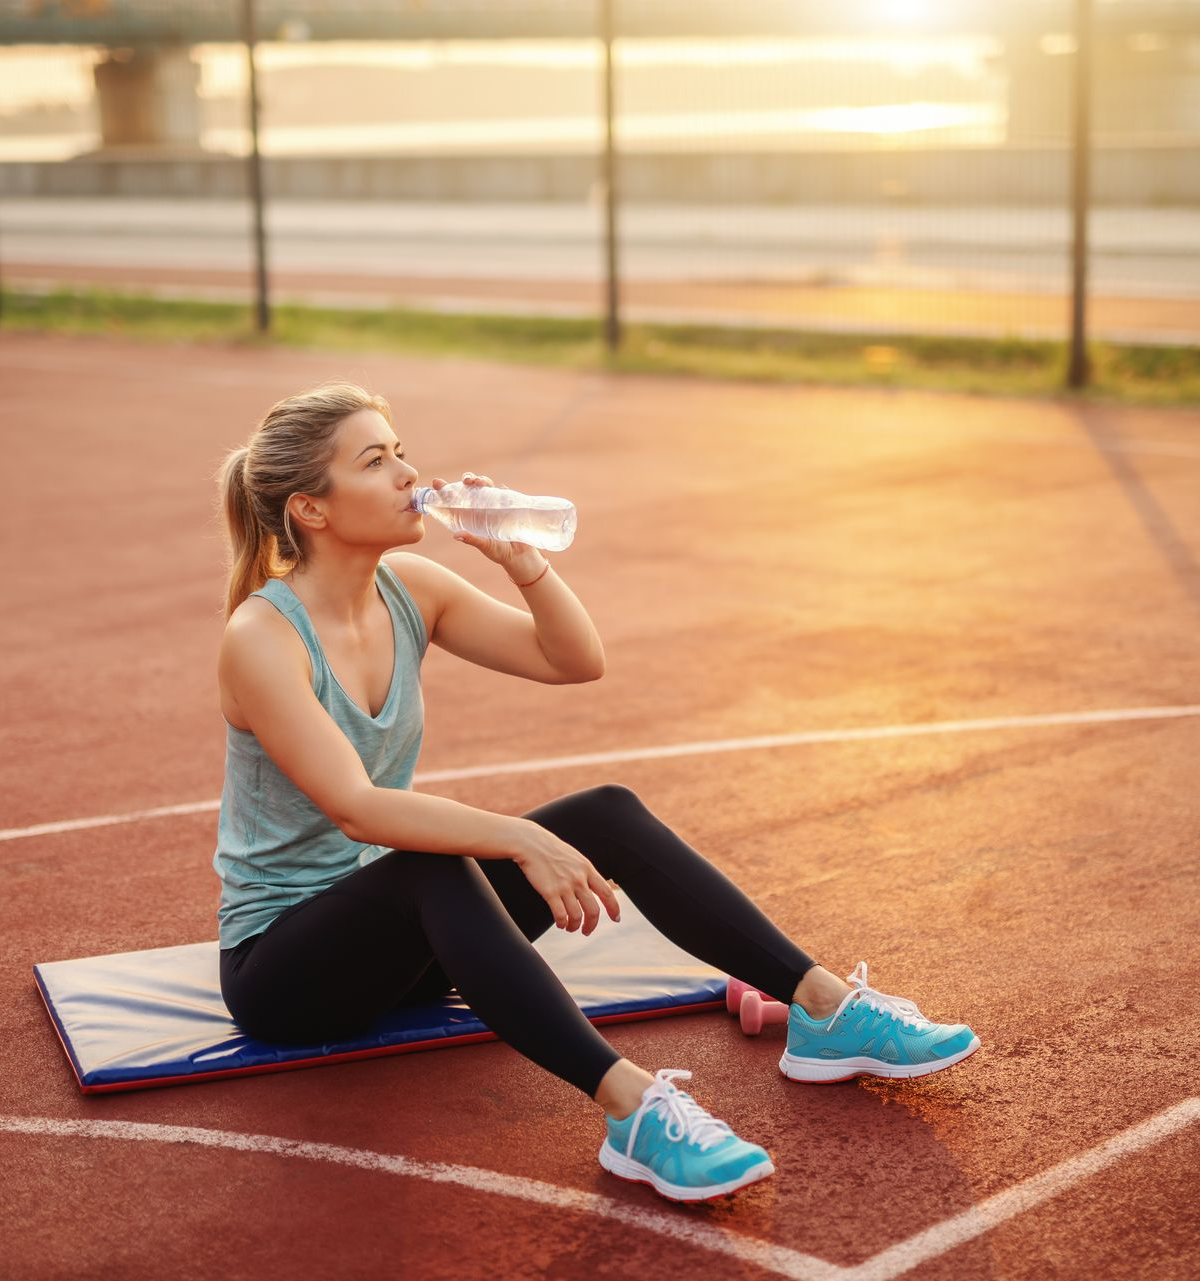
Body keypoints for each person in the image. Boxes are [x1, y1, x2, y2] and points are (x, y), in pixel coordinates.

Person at [211, 380, 979, 1203]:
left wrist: (522, 560)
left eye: (401, 450)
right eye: (376, 461)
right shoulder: (261, 638)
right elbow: (356, 807)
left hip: (401, 951)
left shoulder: (410, 589)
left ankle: (824, 1010)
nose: (409, 474)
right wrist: (517, 836)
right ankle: (633, 1110)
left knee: (605, 811)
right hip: (284, 971)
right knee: (430, 862)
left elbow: (572, 659)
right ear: (312, 510)